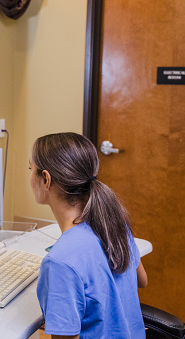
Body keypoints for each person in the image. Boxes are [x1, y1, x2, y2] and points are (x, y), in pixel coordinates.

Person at [30, 132, 148, 338]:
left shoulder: (60, 262)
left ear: (46, 179)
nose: (30, 177)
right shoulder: (114, 223)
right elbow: (142, 280)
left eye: (30, 169)